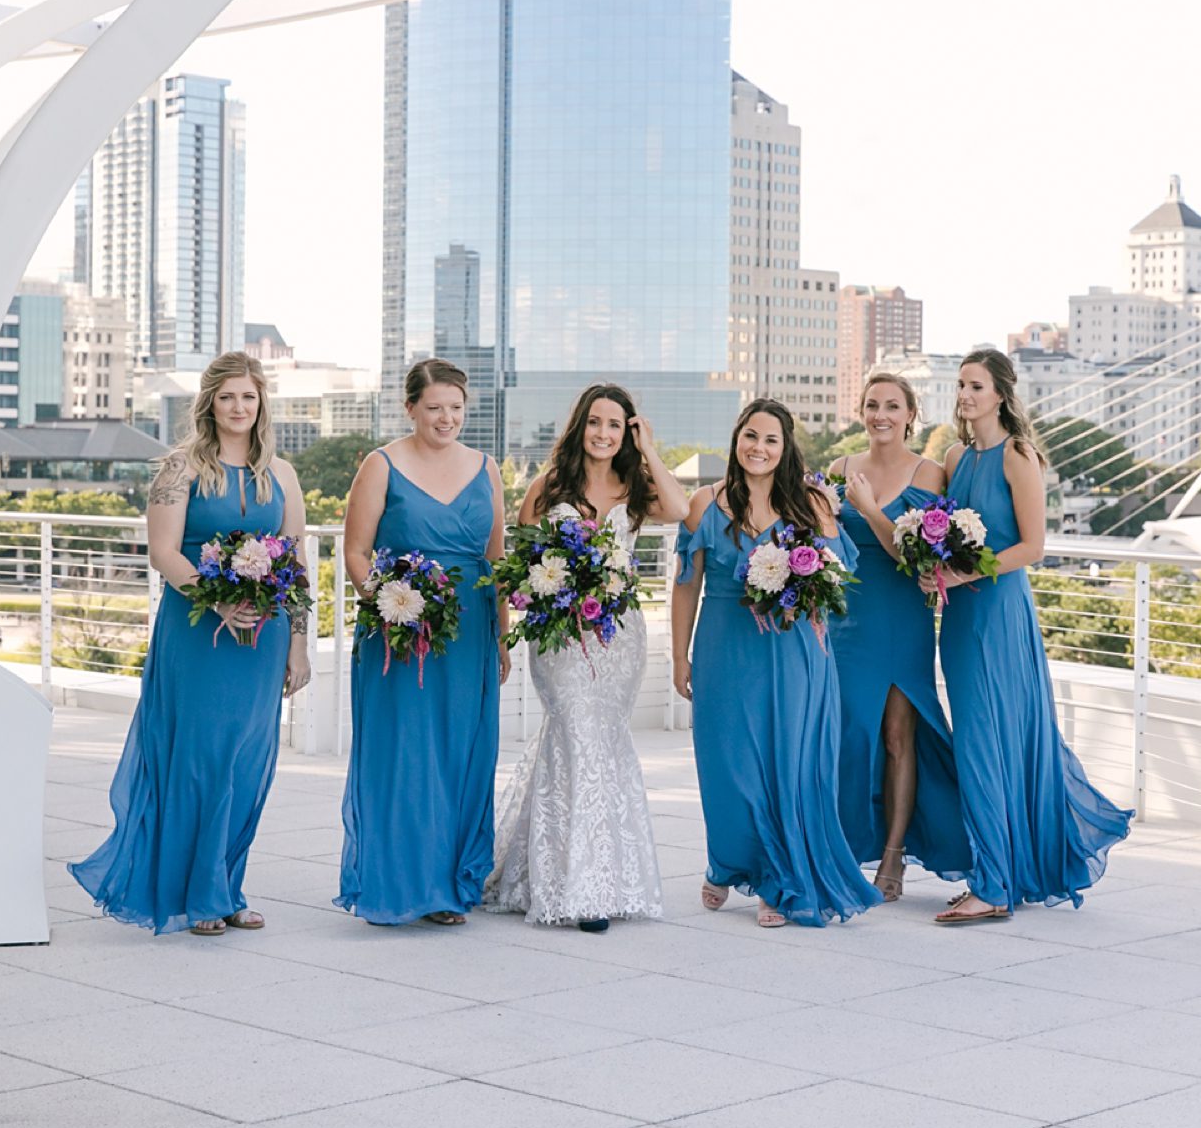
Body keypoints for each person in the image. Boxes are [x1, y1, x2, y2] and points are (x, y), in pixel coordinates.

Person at [70, 352, 309, 936]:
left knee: (247, 763)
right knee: (202, 759)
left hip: (264, 637)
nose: (239, 407)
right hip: (200, 632)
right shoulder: (179, 469)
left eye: (248, 397)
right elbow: (164, 552)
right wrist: (219, 599)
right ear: (209, 403)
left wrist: (299, 644)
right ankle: (199, 894)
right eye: (227, 397)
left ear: (261, 403)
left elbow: (297, 559)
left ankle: (226, 887)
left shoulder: (282, 474)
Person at [930, 348, 1133, 924]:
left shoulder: (1019, 455)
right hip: (960, 617)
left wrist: (962, 572)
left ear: (1000, 394)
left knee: (988, 740)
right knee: (976, 740)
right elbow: (940, 534)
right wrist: (930, 564)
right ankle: (997, 872)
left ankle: (994, 885)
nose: (965, 395)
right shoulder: (954, 456)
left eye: (976, 386)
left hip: (998, 614)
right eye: (961, 385)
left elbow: (1033, 548)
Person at [485, 384, 690, 934]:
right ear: (580, 426)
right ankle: (576, 886)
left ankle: (599, 877)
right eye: (595, 422)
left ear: (628, 431)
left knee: (602, 740)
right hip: (559, 639)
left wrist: (649, 450)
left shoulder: (635, 484)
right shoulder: (547, 487)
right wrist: (515, 626)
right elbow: (515, 566)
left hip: (618, 635)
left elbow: (681, 509)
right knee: (574, 733)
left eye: (616, 426)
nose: (604, 433)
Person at [670, 398, 881, 928]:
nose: (758, 448)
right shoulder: (703, 502)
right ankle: (727, 861)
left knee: (790, 764)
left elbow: (837, 578)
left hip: (795, 650)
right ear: (736, 439)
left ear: (785, 448)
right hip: (724, 647)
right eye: (750, 436)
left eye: (770, 440)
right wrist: (679, 654)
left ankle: (778, 878)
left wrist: (820, 535)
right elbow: (685, 587)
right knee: (730, 766)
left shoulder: (810, 502)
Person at [336, 359, 509, 925]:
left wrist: (502, 637)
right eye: (434, 407)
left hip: (469, 636)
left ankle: (448, 885)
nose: (446, 418)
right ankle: (402, 883)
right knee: (406, 752)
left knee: (462, 753)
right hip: (399, 634)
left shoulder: (487, 468)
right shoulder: (380, 464)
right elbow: (357, 553)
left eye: (456, 407)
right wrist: (393, 609)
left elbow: (495, 559)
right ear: (410, 407)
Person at [830, 373, 971, 899]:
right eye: (872, 405)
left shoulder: (930, 473)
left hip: (902, 619)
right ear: (860, 411)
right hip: (847, 620)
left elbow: (916, 561)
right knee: (847, 735)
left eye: (892, 406)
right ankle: (839, 846)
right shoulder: (840, 469)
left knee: (896, 737)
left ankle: (893, 855)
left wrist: (868, 509)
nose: (880, 415)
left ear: (911, 414)